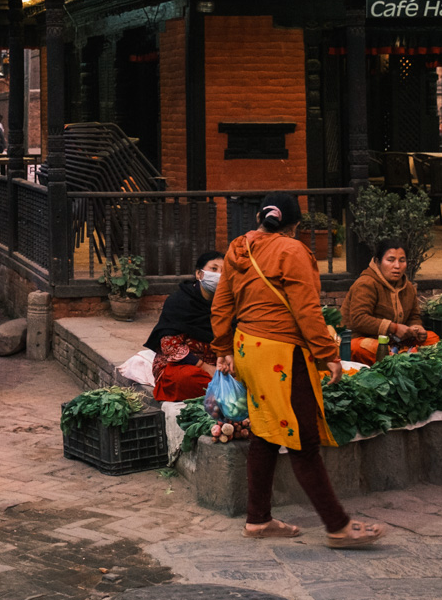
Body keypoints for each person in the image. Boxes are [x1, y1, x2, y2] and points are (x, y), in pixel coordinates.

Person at [214, 195, 384, 549]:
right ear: (295, 226)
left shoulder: (237, 248)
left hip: (248, 347)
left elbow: (222, 303)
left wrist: (223, 348)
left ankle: (258, 520)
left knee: (265, 433)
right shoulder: (292, 251)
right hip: (281, 353)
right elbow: (307, 310)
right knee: (304, 440)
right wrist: (328, 354)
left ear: (261, 218)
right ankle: (338, 526)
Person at [342, 240, 439, 364]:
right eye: (390, 260)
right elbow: (359, 319)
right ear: (378, 262)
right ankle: (400, 356)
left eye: (402, 261)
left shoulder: (408, 287)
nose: (397, 266)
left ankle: (398, 355)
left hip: (395, 341)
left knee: (432, 339)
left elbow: (414, 316)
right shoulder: (366, 283)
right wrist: (393, 328)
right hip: (363, 340)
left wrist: (417, 328)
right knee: (373, 349)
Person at [144, 249, 219, 402]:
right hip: (181, 365)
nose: (220, 275)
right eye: (214, 269)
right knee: (186, 379)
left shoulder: (227, 304)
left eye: (225, 271)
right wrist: (206, 367)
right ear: (199, 274)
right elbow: (170, 346)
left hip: (219, 365)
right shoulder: (179, 301)